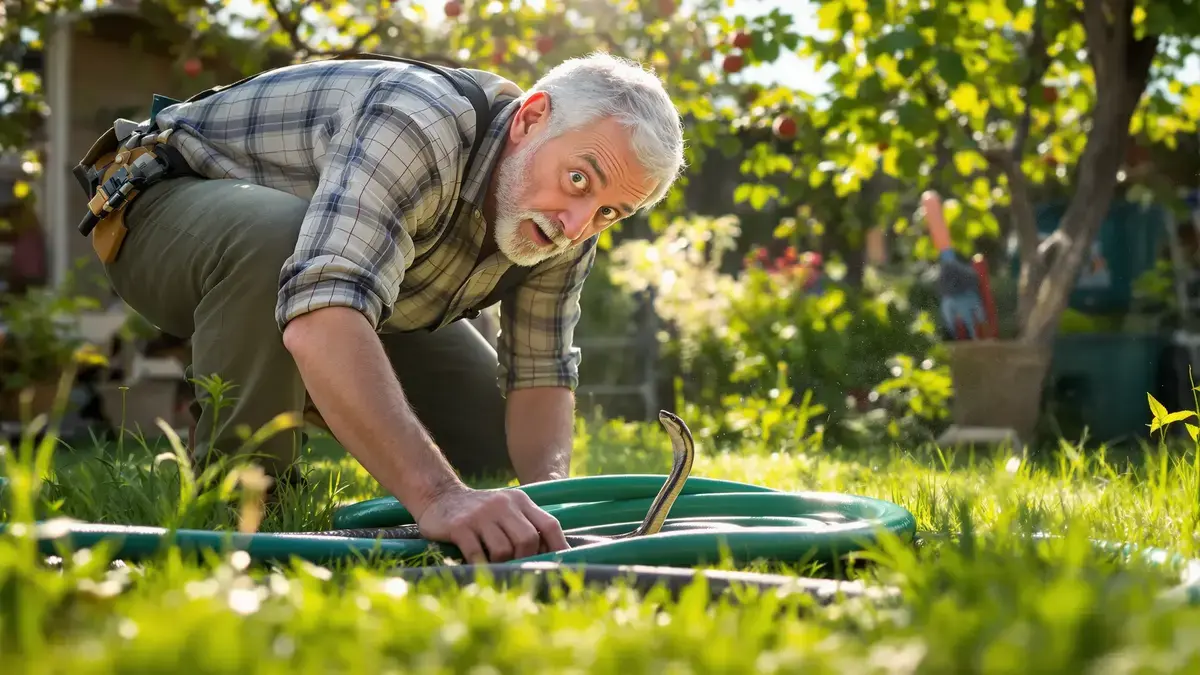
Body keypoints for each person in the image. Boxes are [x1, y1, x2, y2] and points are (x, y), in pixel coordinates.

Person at [73, 51, 686, 564]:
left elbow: (540, 372)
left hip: (354, 290)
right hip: (162, 211)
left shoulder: (570, 223)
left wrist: (554, 510)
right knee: (285, 242)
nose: (578, 223)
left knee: (494, 448)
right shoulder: (420, 121)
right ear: (530, 119)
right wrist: (438, 496)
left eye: (610, 211)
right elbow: (322, 310)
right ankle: (246, 495)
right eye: (580, 179)